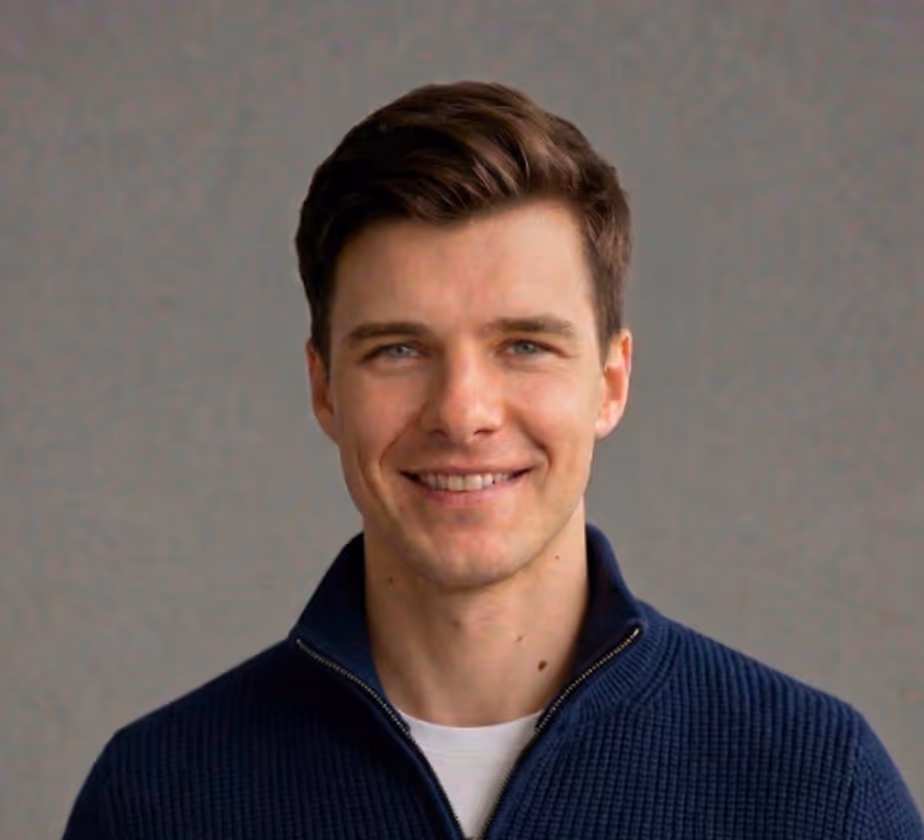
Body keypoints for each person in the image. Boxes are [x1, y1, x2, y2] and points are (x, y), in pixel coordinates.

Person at [61, 80, 922, 840]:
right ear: (324, 388)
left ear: (610, 383)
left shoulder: (818, 788)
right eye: (399, 349)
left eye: (525, 346)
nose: (462, 412)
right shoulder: (156, 800)